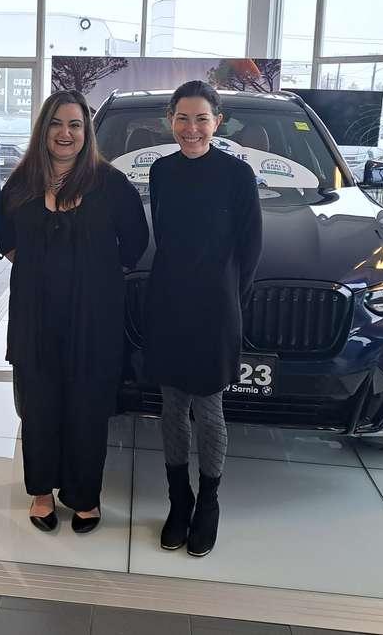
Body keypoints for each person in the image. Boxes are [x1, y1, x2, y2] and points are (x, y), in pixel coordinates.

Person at [0, 90, 148, 534]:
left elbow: (135, 242)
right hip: (34, 315)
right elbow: (1, 235)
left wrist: (95, 277)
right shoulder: (22, 182)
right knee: (39, 407)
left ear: (87, 132)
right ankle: (42, 493)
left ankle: (84, 496)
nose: (66, 133)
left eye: (75, 125)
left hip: (94, 319)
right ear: (44, 128)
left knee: (87, 408)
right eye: (57, 124)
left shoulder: (110, 182)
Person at [145, 80, 263, 557]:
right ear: (170, 121)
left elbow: (250, 247)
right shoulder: (160, 171)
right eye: (182, 118)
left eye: (201, 118)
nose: (191, 128)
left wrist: (230, 297)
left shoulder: (237, 175)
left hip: (216, 306)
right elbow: (166, 239)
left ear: (217, 122)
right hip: (168, 302)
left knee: (209, 408)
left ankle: (209, 503)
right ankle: (179, 501)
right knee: (171, 406)